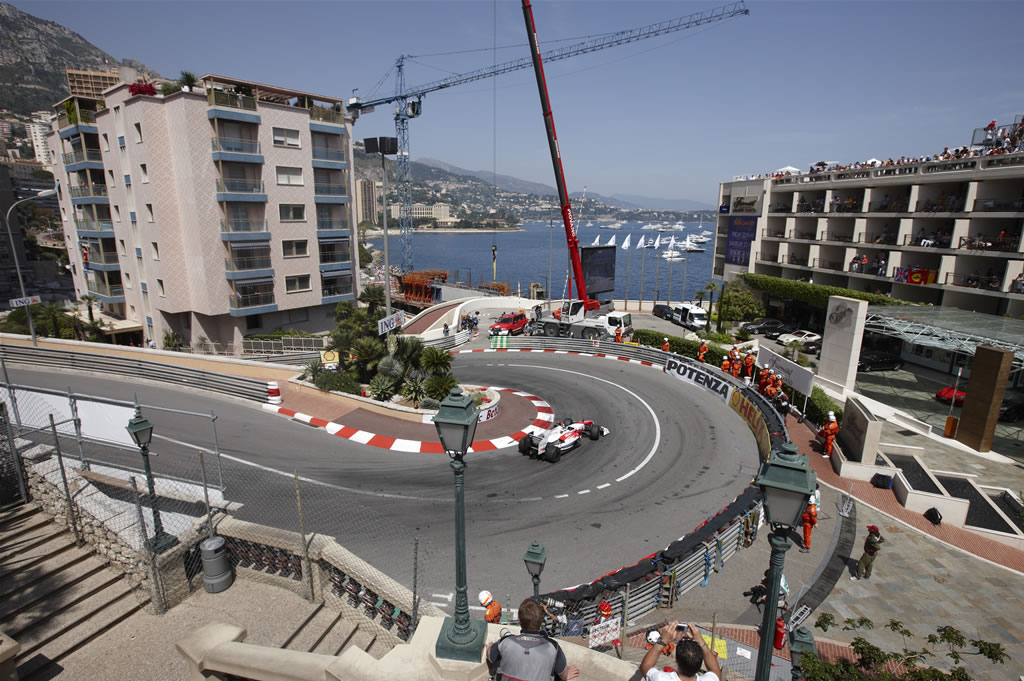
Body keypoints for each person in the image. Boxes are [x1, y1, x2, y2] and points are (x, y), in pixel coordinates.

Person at [487, 598, 579, 681]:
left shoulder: (505, 642)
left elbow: (490, 656)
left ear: (519, 621)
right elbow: (564, 675)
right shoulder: (553, 647)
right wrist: (566, 674)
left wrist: (489, 647)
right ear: (540, 621)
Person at [639, 620, 721, 681]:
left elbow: (646, 667)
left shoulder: (660, 678)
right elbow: (716, 672)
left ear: (675, 660)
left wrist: (662, 641)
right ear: (700, 663)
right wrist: (701, 642)